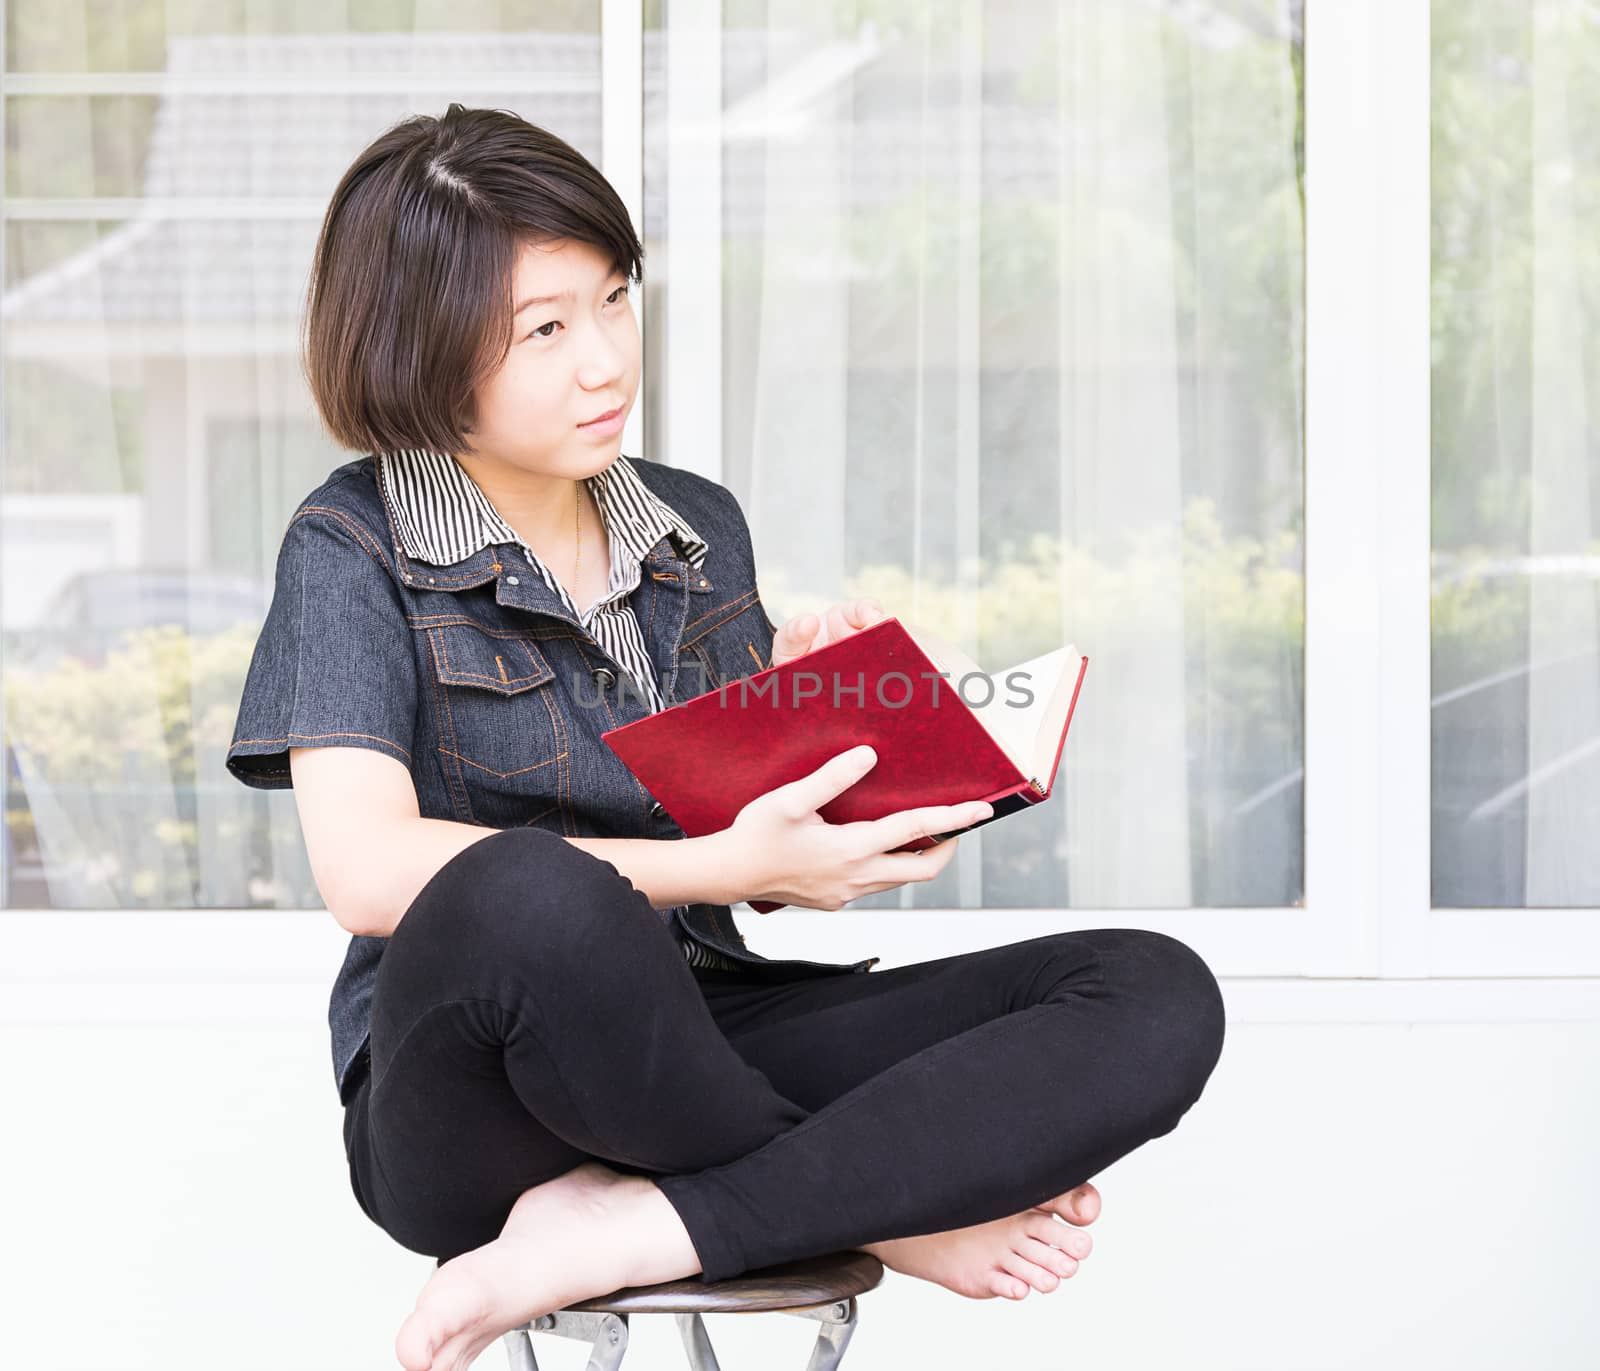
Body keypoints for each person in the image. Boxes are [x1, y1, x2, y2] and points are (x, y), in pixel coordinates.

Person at [225, 104, 1227, 1371]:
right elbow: (366, 876)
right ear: (419, 348)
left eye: (612, 300)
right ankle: (882, 1202)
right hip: (469, 1100)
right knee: (532, 889)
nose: (604, 362)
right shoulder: (352, 541)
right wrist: (732, 870)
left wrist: (820, 753)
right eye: (543, 329)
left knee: (1147, 991)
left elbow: (732, 841)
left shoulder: (694, 526)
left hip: (697, 1030)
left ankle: (638, 1221)